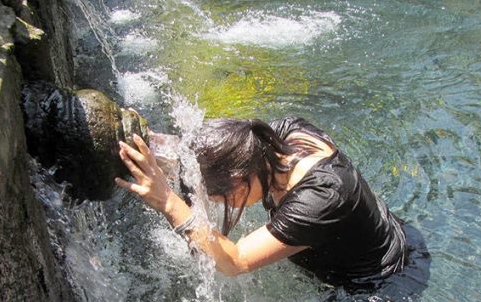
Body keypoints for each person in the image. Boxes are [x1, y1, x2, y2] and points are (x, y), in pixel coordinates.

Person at [115, 117, 408, 282]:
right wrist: (149, 144)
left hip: (376, 281)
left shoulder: (321, 198)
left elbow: (234, 261)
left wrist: (167, 201)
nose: (217, 203)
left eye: (217, 197)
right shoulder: (272, 139)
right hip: (379, 227)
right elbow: (214, 153)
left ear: (238, 182)